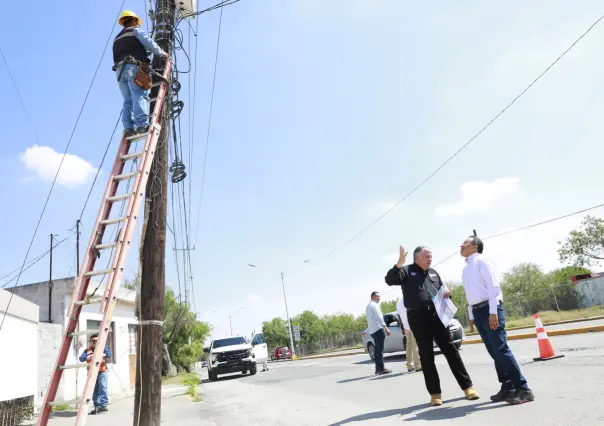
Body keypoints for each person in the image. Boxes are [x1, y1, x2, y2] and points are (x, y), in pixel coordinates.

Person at [385, 245, 479, 406]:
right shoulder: (406, 271)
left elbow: (442, 289)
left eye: (431, 256)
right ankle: (435, 394)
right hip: (418, 318)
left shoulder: (434, 273)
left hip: (437, 316)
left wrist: (448, 291)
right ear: (417, 258)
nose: (430, 259)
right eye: (427, 256)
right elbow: (390, 280)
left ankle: (468, 387)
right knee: (426, 355)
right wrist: (399, 263)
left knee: (451, 351)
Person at [460, 235, 534, 405]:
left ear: (474, 246)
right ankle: (507, 386)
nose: (461, 246)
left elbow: (494, 288)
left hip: (489, 310)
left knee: (501, 350)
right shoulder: (466, 268)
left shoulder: (482, 261)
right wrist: (472, 315)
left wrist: (493, 312)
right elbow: (471, 293)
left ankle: (523, 389)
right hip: (478, 312)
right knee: (494, 352)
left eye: (464, 243)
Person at [113, 10, 169, 137]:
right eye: (137, 22)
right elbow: (149, 43)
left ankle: (128, 128)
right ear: (133, 20)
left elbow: (130, 50)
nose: (138, 24)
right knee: (138, 95)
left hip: (119, 72)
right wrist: (161, 53)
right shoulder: (136, 31)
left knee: (127, 101)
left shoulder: (117, 39)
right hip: (133, 68)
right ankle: (142, 125)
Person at [79, 334, 112, 414]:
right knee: (94, 390)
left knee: (103, 387)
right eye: (93, 341)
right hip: (92, 374)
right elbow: (81, 358)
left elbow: (109, 354)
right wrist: (87, 357)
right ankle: (97, 406)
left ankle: (103, 405)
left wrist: (104, 354)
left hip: (101, 372)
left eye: (97, 341)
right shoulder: (87, 351)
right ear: (90, 342)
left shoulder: (103, 348)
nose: (95, 342)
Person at [365, 291, 392, 375]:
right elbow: (379, 317)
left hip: (372, 330)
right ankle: (382, 369)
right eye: (378, 297)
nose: (379, 298)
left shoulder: (368, 306)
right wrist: (385, 327)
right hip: (378, 329)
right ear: (373, 296)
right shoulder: (374, 305)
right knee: (380, 350)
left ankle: (378, 369)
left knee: (377, 350)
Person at [396, 296, 421, 373]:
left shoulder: (398, 302)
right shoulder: (410, 297)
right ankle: (418, 366)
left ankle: (410, 366)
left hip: (406, 326)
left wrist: (402, 327)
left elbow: (399, 316)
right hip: (413, 324)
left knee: (409, 345)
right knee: (415, 345)